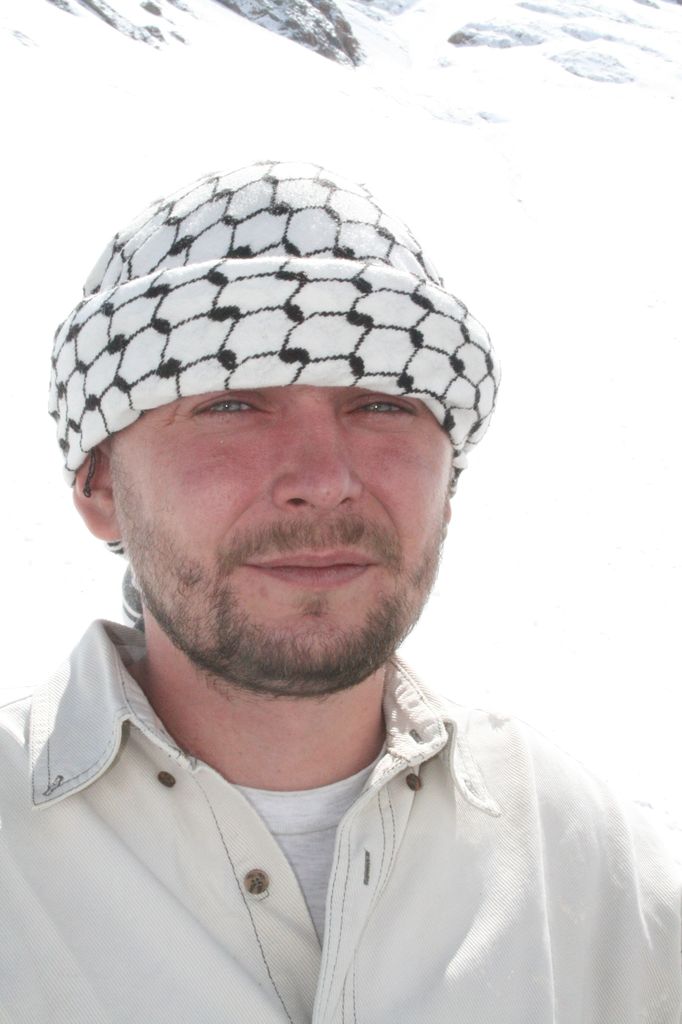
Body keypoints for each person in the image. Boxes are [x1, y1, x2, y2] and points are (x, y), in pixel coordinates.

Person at [0, 160, 679, 1024]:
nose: (324, 480)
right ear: (100, 487)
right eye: (232, 405)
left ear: (448, 481)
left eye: (382, 405)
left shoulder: (588, 872)